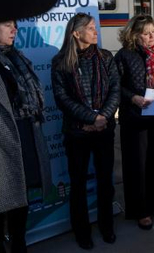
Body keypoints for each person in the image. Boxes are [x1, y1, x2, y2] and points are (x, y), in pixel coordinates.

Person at [0, 20, 52, 253]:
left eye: (15, 25)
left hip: (25, 132)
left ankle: (19, 243)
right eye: (7, 24)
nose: (14, 29)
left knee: (21, 194)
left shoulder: (16, 57)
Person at [51, 13, 120, 250]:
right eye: (90, 28)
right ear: (76, 33)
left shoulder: (106, 57)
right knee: (78, 184)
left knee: (105, 182)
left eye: (94, 27)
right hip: (77, 133)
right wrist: (92, 118)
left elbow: (115, 91)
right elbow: (63, 99)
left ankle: (106, 226)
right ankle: (82, 231)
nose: (95, 31)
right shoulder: (60, 62)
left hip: (104, 130)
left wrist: (102, 118)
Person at [114, 15, 154, 231]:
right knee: (137, 166)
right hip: (134, 119)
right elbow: (116, 86)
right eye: (146, 33)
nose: (152, 37)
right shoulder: (124, 56)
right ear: (134, 34)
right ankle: (140, 210)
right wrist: (133, 98)